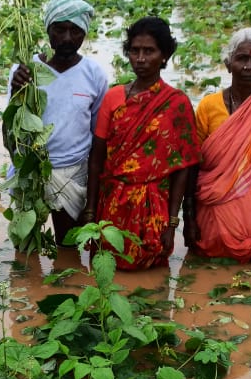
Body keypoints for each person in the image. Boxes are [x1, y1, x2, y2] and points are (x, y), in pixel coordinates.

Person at [84, 17, 199, 270]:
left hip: (153, 208)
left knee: (153, 272)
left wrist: (171, 224)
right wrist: (91, 214)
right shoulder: (113, 97)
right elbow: (97, 159)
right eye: (134, 51)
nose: (141, 58)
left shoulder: (176, 104)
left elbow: (183, 168)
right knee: (106, 266)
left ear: (165, 55)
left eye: (149, 51)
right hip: (112, 205)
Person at [8, 0, 108, 245]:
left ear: (84, 32)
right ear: (48, 28)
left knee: (68, 249)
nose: (66, 38)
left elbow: (99, 135)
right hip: (30, 170)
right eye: (59, 29)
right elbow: (12, 127)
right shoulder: (26, 71)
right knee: (24, 246)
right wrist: (18, 88)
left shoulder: (94, 75)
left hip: (71, 172)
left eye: (75, 31)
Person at [184, 28, 251, 263]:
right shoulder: (208, 106)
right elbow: (193, 165)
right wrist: (188, 218)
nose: (249, 66)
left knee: (250, 271)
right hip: (209, 211)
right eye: (242, 58)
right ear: (228, 63)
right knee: (202, 262)